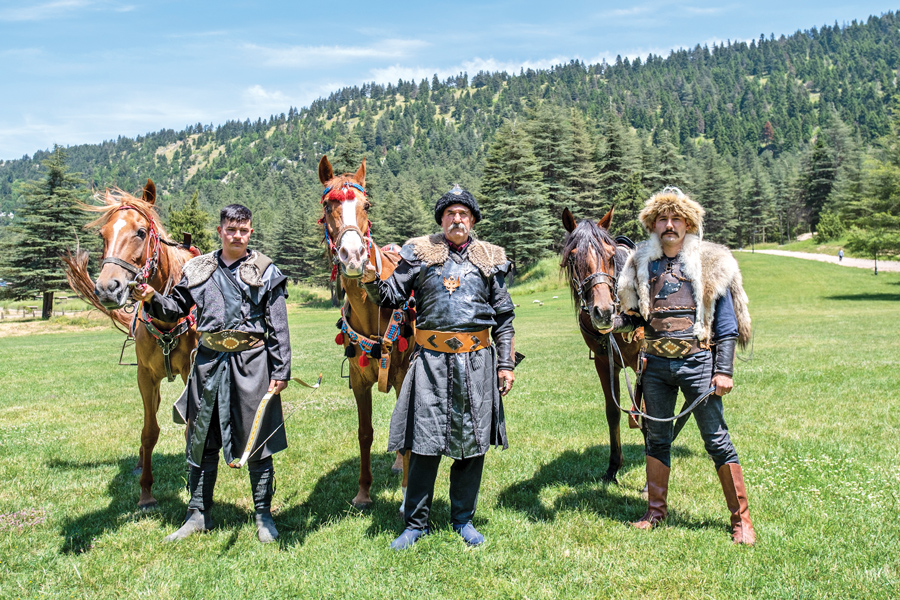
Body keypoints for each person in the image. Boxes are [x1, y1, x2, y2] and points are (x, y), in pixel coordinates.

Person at [361, 185, 516, 550]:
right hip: (429, 362)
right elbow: (389, 296)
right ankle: (415, 524)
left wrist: (506, 363)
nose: (457, 219)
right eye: (450, 214)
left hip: (477, 362)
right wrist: (367, 277)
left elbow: (505, 317)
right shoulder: (419, 254)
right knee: (424, 444)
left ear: (472, 220)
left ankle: (462, 519)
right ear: (441, 220)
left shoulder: (489, 258)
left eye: (463, 214)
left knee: (472, 443)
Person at [131, 204, 291, 543]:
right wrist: (151, 297)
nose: (237, 235)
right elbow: (174, 309)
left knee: (257, 438)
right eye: (231, 230)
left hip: (252, 362)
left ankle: (264, 516)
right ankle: (197, 514)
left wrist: (281, 370)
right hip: (208, 361)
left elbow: (278, 325)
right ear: (220, 231)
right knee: (200, 437)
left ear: (250, 232)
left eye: (243, 230)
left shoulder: (265, 269)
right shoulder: (198, 268)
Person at [612, 187, 755, 545]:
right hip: (656, 366)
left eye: (677, 218)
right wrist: (611, 324)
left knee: (717, 441)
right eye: (663, 218)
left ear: (689, 223)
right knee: (657, 438)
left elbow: (725, 325)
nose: (670, 224)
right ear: (653, 224)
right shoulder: (639, 263)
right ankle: (655, 512)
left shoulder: (711, 262)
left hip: (698, 364)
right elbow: (634, 318)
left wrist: (724, 370)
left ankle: (741, 520)